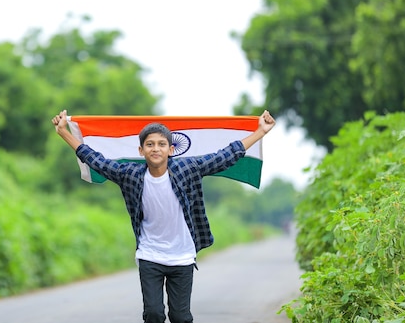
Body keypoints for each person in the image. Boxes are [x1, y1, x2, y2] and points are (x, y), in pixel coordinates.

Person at [51, 109, 276, 323]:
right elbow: (94, 159)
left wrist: (260, 132)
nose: (155, 149)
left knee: (180, 317)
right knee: (154, 314)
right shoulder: (129, 174)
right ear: (141, 151)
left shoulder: (188, 169)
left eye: (161, 144)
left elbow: (224, 156)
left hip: (182, 256)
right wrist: (63, 132)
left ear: (171, 149)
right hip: (150, 255)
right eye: (149, 144)